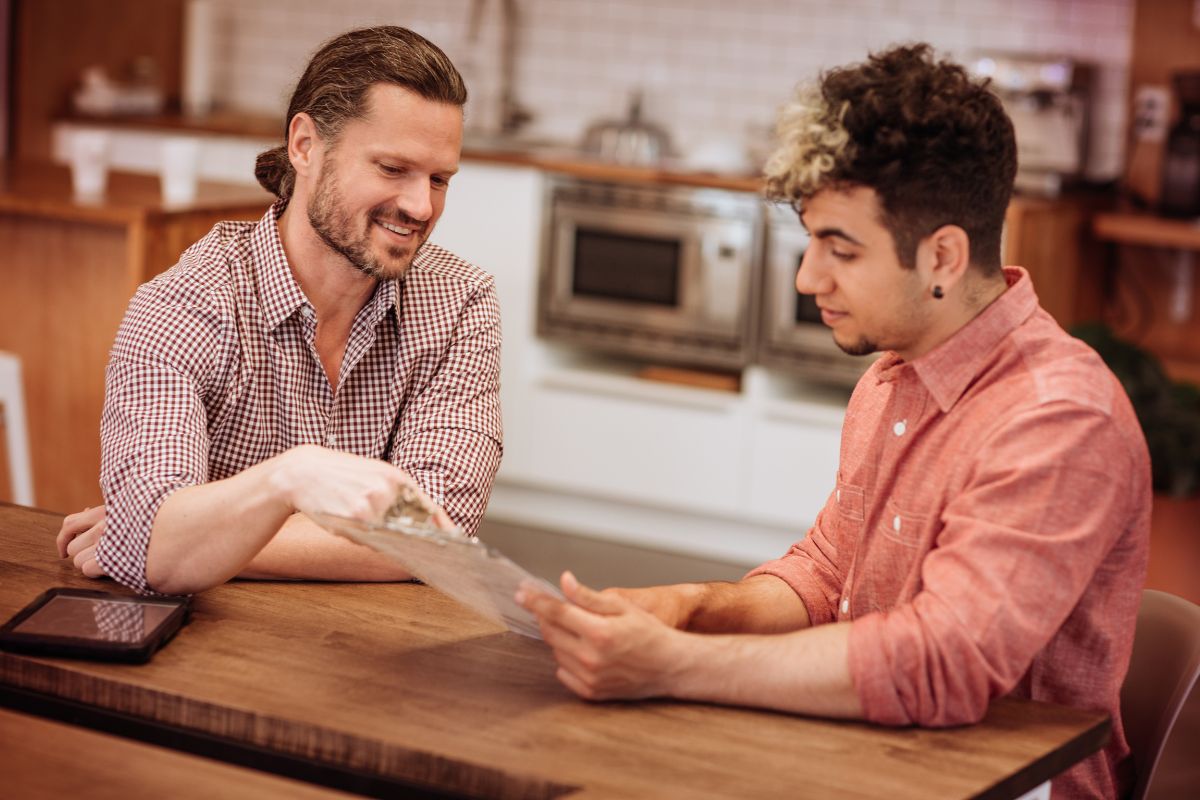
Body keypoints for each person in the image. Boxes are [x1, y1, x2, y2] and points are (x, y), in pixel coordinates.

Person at [517, 44, 1150, 800]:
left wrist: (674, 666)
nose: (807, 278)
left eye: (839, 249)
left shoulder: (1058, 418)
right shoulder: (894, 376)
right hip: (878, 761)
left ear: (943, 256)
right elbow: (824, 578)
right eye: (810, 240)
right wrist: (690, 611)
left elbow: (940, 666)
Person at [56, 26, 502, 597]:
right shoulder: (186, 302)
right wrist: (289, 479)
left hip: (377, 661)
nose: (421, 206)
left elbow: (441, 533)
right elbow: (152, 543)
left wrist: (195, 542)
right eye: (393, 169)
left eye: (439, 179)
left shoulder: (459, 301)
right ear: (305, 146)